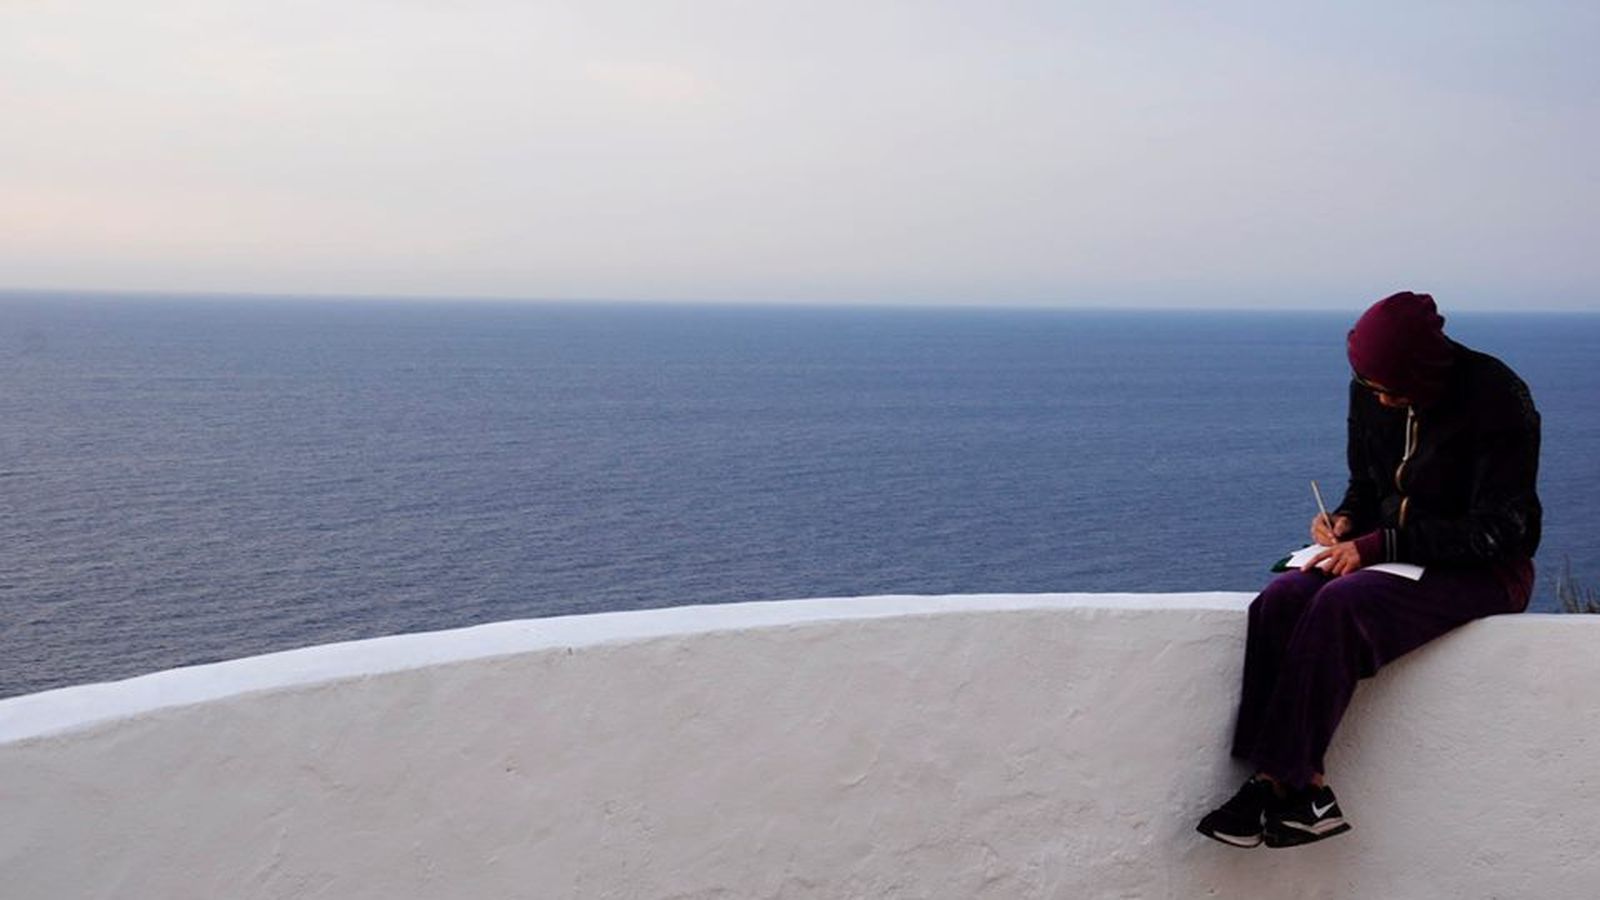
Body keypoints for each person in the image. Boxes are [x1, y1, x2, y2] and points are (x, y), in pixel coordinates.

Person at [1196, 291, 1542, 849]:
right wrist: (1345, 518)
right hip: (1396, 557)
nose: (1381, 402)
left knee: (1341, 605)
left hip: (1484, 569)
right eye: (1372, 389)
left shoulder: (1497, 398)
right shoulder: (1369, 388)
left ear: (1424, 372)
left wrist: (1382, 544)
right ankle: (1303, 790)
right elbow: (1368, 484)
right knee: (1282, 599)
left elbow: (1508, 529)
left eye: (1391, 391)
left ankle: (1274, 784)